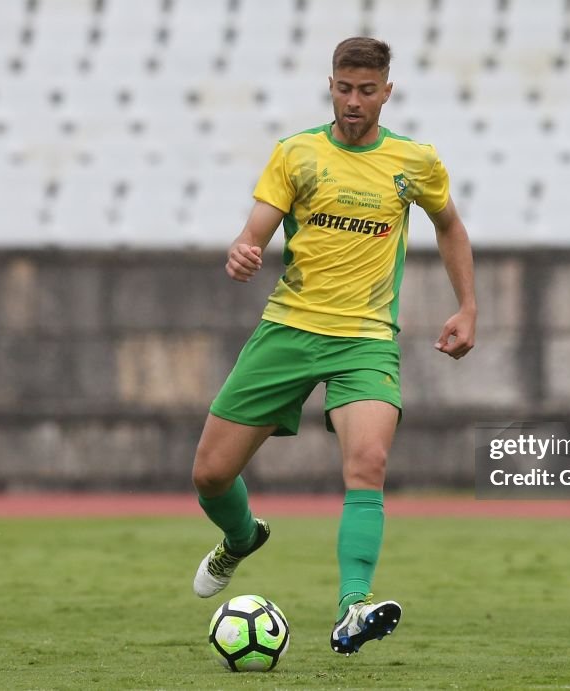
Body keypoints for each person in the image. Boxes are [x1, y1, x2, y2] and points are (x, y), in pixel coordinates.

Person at [190, 37, 476, 654]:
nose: (354, 102)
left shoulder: (414, 162)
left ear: (387, 92)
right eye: (344, 89)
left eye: (366, 91)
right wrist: (244, 252)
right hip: (289, 330)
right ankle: (241, 539)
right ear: (331, 85)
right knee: (211, 475)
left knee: (367, 465)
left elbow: (449, 224)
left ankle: (354, 607)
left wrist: (468, 306)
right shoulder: (297, 154)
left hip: (366, 340)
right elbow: (255, 231)